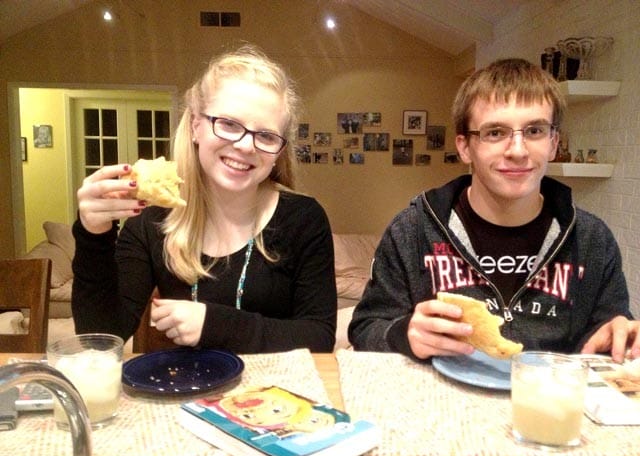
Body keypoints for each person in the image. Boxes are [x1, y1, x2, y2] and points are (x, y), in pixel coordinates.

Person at [349, 58, 639, 363]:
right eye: (495, 132)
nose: (517, 151)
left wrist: (621, 334)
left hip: (549, 403)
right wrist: (403, 334)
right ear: (464, 147)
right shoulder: (412, 231)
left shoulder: (592, 240)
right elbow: (366, 329)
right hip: (443, 403)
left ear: (553, 143)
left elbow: (612, 334)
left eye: (535, 131)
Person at [72, 44, 337, 353]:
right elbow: (100, 336)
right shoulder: (152, 222)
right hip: (184, 394)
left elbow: (318, 337)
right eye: (228, 124)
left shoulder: (304, 219)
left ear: (278, 151)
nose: (245, 146)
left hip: (280, 397)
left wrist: (216, 325)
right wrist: (93, 235)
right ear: (196, 126)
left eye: (265, 135)